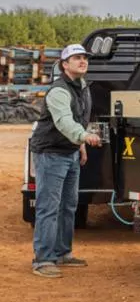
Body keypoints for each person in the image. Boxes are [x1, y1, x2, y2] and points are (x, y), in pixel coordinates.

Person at [29, 44, 102, 278]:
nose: (83, 61)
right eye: (76, 58)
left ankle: (62, 252)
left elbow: (78, 120)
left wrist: (79, 146)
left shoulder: (83, 88)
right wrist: (84, 137)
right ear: (64, 64)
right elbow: (64, 122)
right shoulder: (59, 91)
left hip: (69, 153)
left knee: (68, 205)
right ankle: (43, 259)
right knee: (48, 207)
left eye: (84, 58)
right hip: (51, 154)